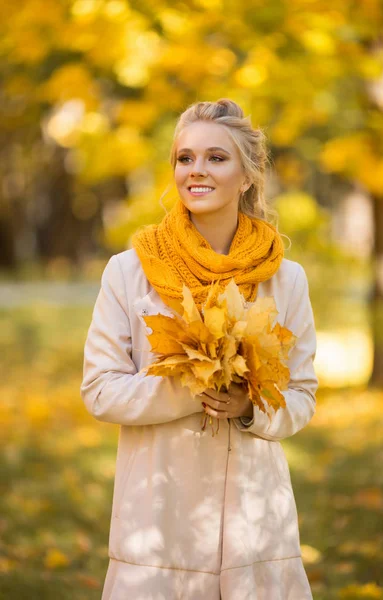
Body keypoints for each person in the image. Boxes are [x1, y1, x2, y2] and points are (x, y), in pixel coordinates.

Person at [81, 98, 319, 599]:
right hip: (158, 522)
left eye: (216, 157)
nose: (196, 171)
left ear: (247, 175)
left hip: (254, 528)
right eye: (185, 158)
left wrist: (251, 409)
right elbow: (100, 390)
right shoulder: (129, 272)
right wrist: (192, 386)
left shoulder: (285, 278)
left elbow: (302, 394)